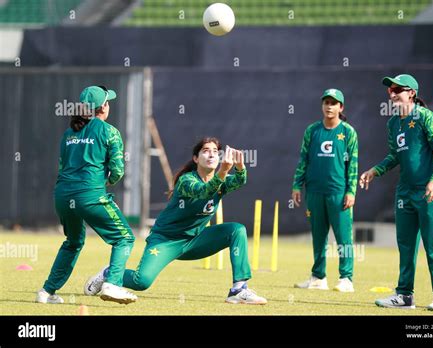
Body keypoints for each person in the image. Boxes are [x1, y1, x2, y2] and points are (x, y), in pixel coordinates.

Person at [85, 138, 267, 305]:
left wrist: (241, 167)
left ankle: (238, 289)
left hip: (195, 240)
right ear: (196, 158)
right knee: (142, 282)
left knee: (236, 230)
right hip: (165, 241)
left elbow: (239, 181)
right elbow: (203, 191)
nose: (211, 154)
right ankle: (109, 273)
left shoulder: (221, 180)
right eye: (205, 150)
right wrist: (222, 172)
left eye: (215, 151)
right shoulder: (186, 180)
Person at [36, 85, 137, 305]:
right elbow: (118, 170)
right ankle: (111, 284)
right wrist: (106, 181)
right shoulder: (109, 131)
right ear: (103, 107)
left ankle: (46, 292)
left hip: (62, 196)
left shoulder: (68, 133)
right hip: (89, 195)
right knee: (124, 238)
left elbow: (63, 165)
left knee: (73, 242)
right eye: (108, 102)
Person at [359, 74, 433, 312]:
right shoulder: (392, 123)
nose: (392, 94)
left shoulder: (425, 117)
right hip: (405, 191)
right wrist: (374, 171)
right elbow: (395, 156)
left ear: (411, 93)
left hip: (429, 190)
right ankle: (404, 296)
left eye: (398, 89)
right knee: (406, 245)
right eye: (390, 90)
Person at [292, 89, 358, 292]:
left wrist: (351, 191)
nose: (329, 106)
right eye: (326, 102)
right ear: (322, 105)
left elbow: (353, 164)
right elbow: (304, 159)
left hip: (338, 193)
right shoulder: (312, 131)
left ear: (341, 107)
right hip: (314, 192)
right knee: (318, 236)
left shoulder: (348, 132)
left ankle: (346, 279)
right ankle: (318, 277)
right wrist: (297, 184)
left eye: (334, 103)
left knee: (343, 237)